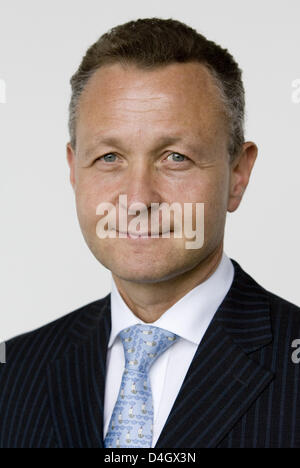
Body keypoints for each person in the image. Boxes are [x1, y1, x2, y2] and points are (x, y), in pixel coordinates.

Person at [0, 17, 299, 449]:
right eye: (109, 157)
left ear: (238, 174)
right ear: (72, 170)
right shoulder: (13, 373)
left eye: (175, 157)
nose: (138, 199)